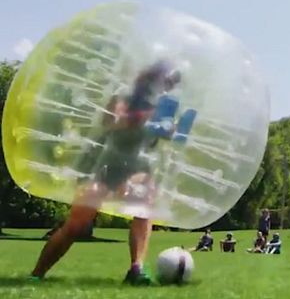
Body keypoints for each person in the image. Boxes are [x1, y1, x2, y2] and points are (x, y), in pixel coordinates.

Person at [30, 61, 182, 285]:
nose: (167, 88)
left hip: (137, 165)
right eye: (165, 82)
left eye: (170, 85)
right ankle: (37, 273)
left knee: (143, 205)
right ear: (152, 78)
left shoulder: (165, 106)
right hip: (104, 163)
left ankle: (136, 269)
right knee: (77, 224)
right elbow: (110, 121)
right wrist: (146, 116)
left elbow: (162, 136)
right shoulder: (125, 94)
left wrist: (172, 129)